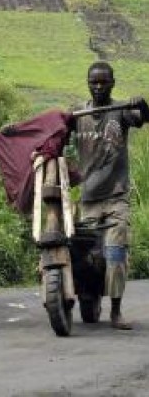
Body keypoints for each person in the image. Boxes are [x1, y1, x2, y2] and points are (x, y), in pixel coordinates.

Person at [72, 61, 147, 330]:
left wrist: (142, 104)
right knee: (87, 256)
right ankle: (89, 297)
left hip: (116, 196)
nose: (99, 86)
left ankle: (116, 311)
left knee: (115, 253)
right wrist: (14, 130)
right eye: (94, 81)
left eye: (104, 82)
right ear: (88, 83)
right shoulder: (78, 114)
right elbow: (51, 131)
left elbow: (144, 118)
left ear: (113, 83)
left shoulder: (120, 112)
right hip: (89, 197)